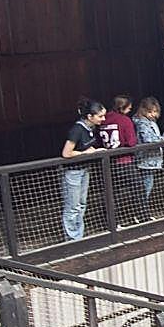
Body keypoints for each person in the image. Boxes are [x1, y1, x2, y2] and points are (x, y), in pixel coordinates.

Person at [60, 99, 106, 241]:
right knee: (72, 206)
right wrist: (86, 154)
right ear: (90, 117)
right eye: (100, 116)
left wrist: (93, 151)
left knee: (81, 204)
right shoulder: (77, 129)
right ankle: (73, 238)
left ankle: (78, 235)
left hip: (84, 169)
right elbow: (66, 153)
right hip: (73, 172)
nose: (103, 119)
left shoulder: (90, 129)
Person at [100, 95, 144, 224]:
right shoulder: (124, 120)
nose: (130, 110)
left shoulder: (103, 119)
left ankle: (112, 222)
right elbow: (131, 142)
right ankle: (142, 216)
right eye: (129, 108)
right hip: (124, 161)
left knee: (112, 193)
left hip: (108, 162)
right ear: (122, 107)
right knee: (138, 188)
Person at [133, 97, 164, 217]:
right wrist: (162, 140)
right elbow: (148, 140)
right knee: (146, 186)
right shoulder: (142, 123)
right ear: (143, 110)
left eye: (155, 111)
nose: (153, 114)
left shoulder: (150, 122)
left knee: (147, 186)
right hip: (145, 159)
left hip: (151, 159)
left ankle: (142, 212)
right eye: (150, 111)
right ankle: (141, 213)